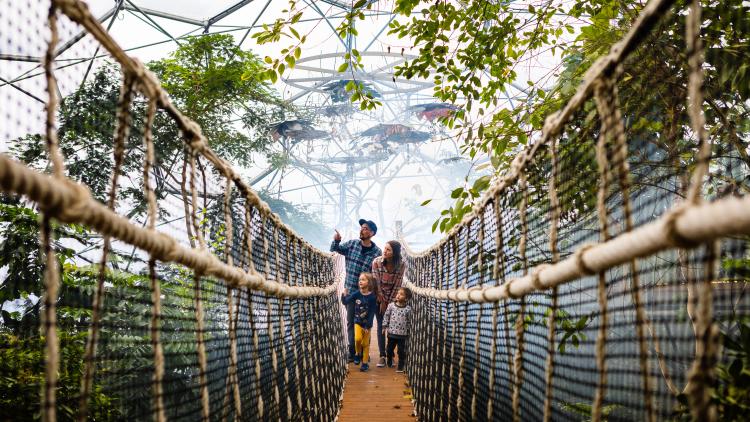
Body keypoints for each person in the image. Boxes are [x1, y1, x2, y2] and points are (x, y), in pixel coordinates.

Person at [331, 219, 382, 362]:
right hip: (351, 291)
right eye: (361, 228)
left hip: (367, 294)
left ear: (372, 233)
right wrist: (337, 241)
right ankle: (352, 352)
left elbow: (377, 274)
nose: (361, 230)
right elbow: (335, 249)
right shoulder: (352, 244)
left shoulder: (377, 252)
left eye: (365, 228)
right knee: (351, 322)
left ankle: (364, 351)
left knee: (366, 323)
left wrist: (377, 295)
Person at [371, 240, 406, 367]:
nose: (384, 252)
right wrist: (382, 301)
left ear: (395, 253)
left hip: (392, 299)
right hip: (376, 297)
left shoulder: (401, 265)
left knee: (392, 325)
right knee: (381, 325)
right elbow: (376, 283)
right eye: (384, 248)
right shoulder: (376, 262)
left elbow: (397, 285)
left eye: (388, 250)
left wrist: (390, 304)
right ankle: (382, 356)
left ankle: (390, 352)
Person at [341, 273, 379, 371]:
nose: (360, 281)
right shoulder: (356, 294)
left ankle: (365, 364)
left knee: (365, 344)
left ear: (369, 283)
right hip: (357, 322)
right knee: (357, 339)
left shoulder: (372, 297)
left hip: (367, 325)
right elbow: (346, 302)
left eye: (363, 280)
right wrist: (343, 295)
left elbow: (371, 313)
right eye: (359, 280)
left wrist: (368, 326)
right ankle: (357, 353)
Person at [382, 287, 412, 372]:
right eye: (398, 293)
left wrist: (409, 331)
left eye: (401, 294)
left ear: (406, 298)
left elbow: (409, 321)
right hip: (392, 333)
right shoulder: (391, 306)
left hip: (402, 335)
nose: (398, 295)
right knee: (389, 349)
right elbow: (386, 316)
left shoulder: (408, 309)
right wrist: (384, 326)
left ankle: (401, 366)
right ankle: (389, 359)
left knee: (401, 351)